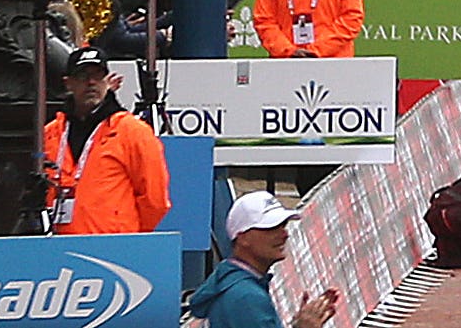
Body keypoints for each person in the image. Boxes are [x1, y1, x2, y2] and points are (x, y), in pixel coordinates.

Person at [43, 47, 170, 234]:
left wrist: (127, 234)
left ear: (107, 80)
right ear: (68, 83)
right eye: (82, 76)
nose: (91, 82)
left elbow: (155, 200)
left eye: (98, 75)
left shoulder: (133, 132)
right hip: (58, 245)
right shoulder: (51, 133)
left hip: (114, 249)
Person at [191, 193, 345, 328]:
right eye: (271, 227)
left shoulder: (237, 285)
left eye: (283, 225)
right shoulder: (246, 297)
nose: (284, 234)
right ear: (243, 238)